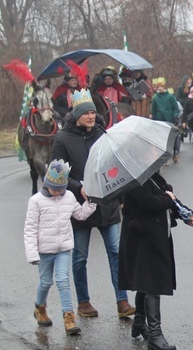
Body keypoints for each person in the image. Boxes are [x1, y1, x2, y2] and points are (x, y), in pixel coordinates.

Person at [51, 90, 136, 318]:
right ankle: (84, 302)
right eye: (86, 113)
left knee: (117, 252)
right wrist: (77, 186)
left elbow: (113, 162)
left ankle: (122, 301)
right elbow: (56, 173)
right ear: (76, 115)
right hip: (80, 208)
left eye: (93, 112)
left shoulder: (102, 133)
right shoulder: (62, 139)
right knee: (80, 257)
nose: (91, 116)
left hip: (106, 204)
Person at [24, 159, 97, 335]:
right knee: (46, 282)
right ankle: (40, 308)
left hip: (63, 248)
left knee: (63, 280)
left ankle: (69, 317)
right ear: (46, 184)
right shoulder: (36, 201)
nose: (57, 192)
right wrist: (32, 253)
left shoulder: (69, 197)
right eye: (54, 188)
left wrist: (91, 202)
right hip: (44, 251)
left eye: (60, 189)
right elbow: (30, 228)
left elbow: (80, 215)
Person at [118, 170, 179, 350]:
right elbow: (149, 202)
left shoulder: (148, 174)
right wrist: (168, 199)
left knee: (146, 281)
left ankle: (138, 323)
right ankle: (155, 335)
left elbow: (164, 188)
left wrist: (167, 193)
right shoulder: (134, 177)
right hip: (142, 237)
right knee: (151, 283)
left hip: (151, 235)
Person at [150, 77, 180, 162]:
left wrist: (175, 116)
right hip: (160, 121)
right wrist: (154, 120)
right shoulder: (155, 98)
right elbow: (154, 110)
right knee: (162, 139)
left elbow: (175, 108)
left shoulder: (170, 97)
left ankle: (175, 152)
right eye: (158, 87)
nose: (160, 88)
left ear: (164, 87)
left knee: (173, 138)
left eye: (161, 86)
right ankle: (164, 156)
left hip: (170, 120)